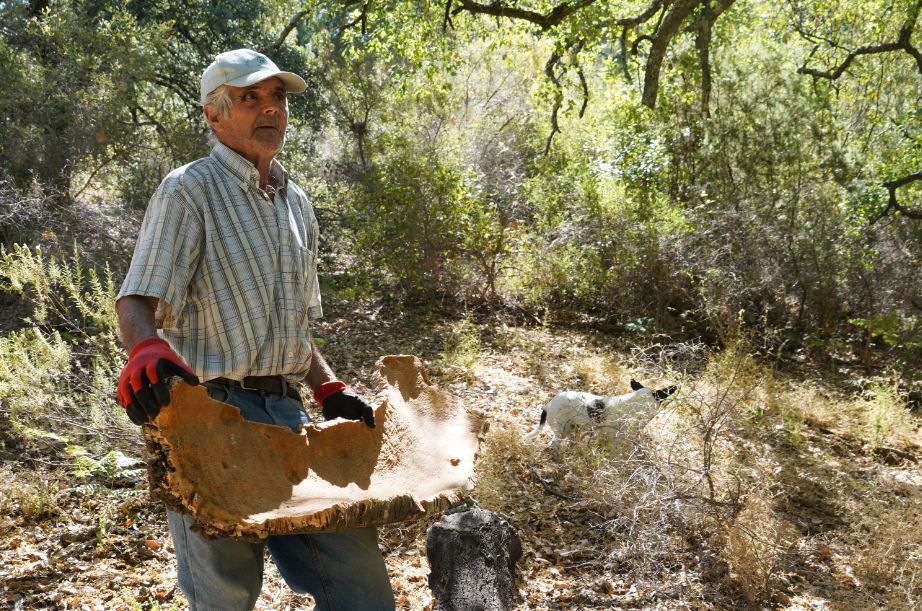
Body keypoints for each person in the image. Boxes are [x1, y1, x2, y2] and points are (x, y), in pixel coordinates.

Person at [114, 48, 396, 611]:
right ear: (213, 115)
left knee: (359, 584)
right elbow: (136, 299)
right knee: (226, 596)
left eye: (278, 97)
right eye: (249, 98)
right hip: (209, 420)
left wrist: (328, 387)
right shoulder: (188, 189)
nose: (269, 109)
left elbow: (290, 323)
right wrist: (145, 347)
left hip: (288, 418)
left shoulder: (296, 202)